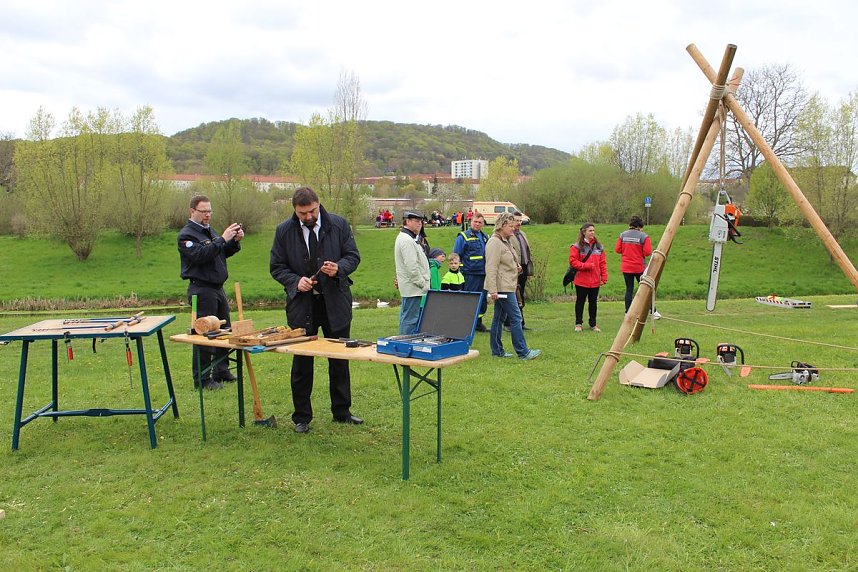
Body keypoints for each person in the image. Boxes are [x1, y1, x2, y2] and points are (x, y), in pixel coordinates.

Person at [270, 186, 362, 433]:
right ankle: (302, 417)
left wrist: (339, 268)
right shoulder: (283, 231)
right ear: (295, 210)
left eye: (312, 211)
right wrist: (294, 281)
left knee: (340, 359)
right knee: (302, 362)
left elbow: (353, 256)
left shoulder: (339, 225)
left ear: (318, 204)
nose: (309, 217)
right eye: (303, 213)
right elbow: (276, 266)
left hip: (335, 302)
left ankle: (342, 411)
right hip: (302, 305)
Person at [178, 194, 244, 390]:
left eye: (209, 211)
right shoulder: (186, 236)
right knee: (205, 334)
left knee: (225, 331)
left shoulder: (210, 231)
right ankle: (203, 379)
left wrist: (233, 242)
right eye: (203, 211)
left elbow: (221, 252)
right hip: (202, 289)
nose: (207, 215)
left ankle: (222, 371)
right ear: (192, 211)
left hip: (218, 288)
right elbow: (200, 255)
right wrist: (222, 239)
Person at [485, 212, 541, 360]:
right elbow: (491, 267)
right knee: (516, 318)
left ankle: (497, 351)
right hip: (502, 287)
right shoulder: (494, 242)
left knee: (499, 318)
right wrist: (493, 290)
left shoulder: (506, 241)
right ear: (502, 226)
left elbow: (505, 261)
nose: (513, 228)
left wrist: (516, 266)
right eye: (510, 226)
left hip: (508, 284)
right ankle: (523, 352)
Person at [394, 211, 430, 334]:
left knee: (409, 318)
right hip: (412, 287)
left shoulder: (408, 238)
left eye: (421, 221)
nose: (420, 224)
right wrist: (422, 283)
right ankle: (405, 345)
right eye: (416, 221)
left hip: (412, 287)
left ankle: (406, 344)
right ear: (407, 221)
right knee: (410, 320)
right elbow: (411, 266)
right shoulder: (406, 240)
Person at [453, 212, 489, 331]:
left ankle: (478, 323)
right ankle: (467, 325)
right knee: (470, 299)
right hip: (469, 274)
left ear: (483, 224)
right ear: (470, 222)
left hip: (483, 273)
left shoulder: (485, 237)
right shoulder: (463, 237)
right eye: (475, 222)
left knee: (482, 300)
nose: (477, 224)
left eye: (480, 222)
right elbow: (456, 255)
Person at [570, 223, 608, 332]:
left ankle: (593, 324)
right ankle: (578, 323)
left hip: (595, 280)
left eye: (593, 230)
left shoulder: (599, 246)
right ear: (584, 232)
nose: (592, 232)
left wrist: (604, 276)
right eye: (590, 231)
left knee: (593, 303)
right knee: (580, 302)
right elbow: (573, 261)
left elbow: (603, 263)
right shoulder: (576, 246)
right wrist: (585, 266)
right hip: (581, 280)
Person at [615, 215, 652, 312]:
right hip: (639, 267)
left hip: (626, 267)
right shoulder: (644, 236)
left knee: (629, 290)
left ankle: (628, 311)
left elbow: (618, 250)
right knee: (644, 289)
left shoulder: (622, 235)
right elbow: (647, 252)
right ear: (640, 226)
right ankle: (652, 310)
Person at [505, 211, 534, 331]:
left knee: (520, 295)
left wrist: (528, 269)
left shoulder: (522, 234)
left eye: (520, 220)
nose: (519, 223)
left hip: (524, 267)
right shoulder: (509, 236)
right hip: (513, 269)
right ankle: (508, 323)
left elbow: (526, 252)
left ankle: (520, 322)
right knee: (512, 295)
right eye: (516, 220)